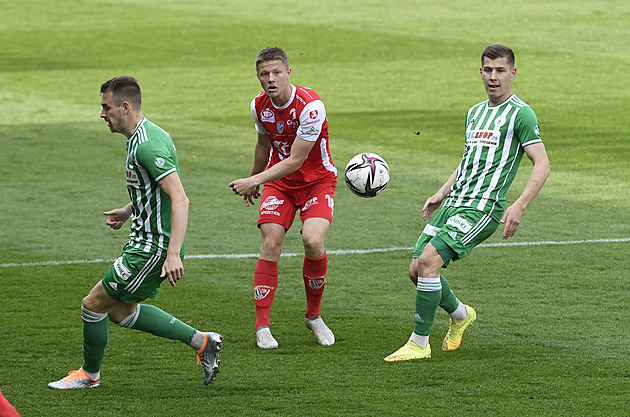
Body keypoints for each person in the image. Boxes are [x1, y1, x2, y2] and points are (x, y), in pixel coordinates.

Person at [48, 75, 223, 388]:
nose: (103, 114)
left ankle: (89, 375)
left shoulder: (147, 146)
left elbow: (180, 199)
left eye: (107, 107)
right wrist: (129, 210)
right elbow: (153, 189)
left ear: (124, 106)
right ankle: (202, 342)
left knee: (93, 304)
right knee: (120, 312)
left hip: (152, 248)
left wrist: (172, 255)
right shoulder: (146, 135)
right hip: (146, 242)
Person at [385, 45, 550, 361]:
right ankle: (461, 315)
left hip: (482, 208)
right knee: (416, 270)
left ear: (512, 74)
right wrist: (442, 192)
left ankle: (419, 344)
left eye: (500, 70)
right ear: (480, 72)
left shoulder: (521, 114)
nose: (493, 77)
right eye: (488, 70)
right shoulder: (474, 112)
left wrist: (519, 205)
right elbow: (468, 159)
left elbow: (542, 164)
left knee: (429, 262)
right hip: (454, 202)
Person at [229, 47, 337, 349]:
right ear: (258, 76)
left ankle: (314, 316)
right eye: (264, 74)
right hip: (279, 184)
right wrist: (254, 179)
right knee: (271, 241)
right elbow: (263, 144)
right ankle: (262, 326)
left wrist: (254, 179)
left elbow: (296, 160)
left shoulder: (310, 106)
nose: (271, 79)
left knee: (313, 240)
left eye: (277, 72)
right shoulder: (258, 106)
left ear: (289, 73)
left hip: (317, 181)